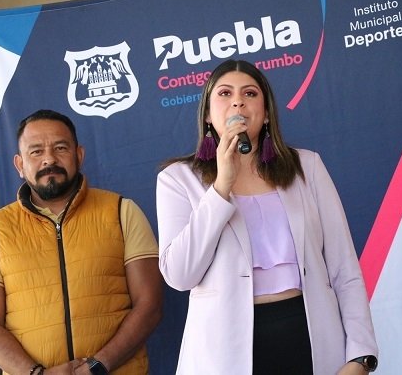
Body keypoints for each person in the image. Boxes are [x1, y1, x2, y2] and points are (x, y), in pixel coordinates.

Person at [156, 59, 378, 375]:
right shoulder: (178, 179)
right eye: (224, 93)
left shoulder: (307, 167)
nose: (237, 102)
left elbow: (345, 269)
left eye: (250, 93)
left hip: (311, 342)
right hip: (223, 355)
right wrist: (221, 187)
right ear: (207, 115)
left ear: (267, 113)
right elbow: (180, 275)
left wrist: (361, 356)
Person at [0, 109, 163, 375]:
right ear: (20, 165)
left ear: (79, 155)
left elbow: (150, 305)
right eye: (36, 151)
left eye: (60, 148)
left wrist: (98, 366)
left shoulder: (122, 212)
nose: (49, 159)